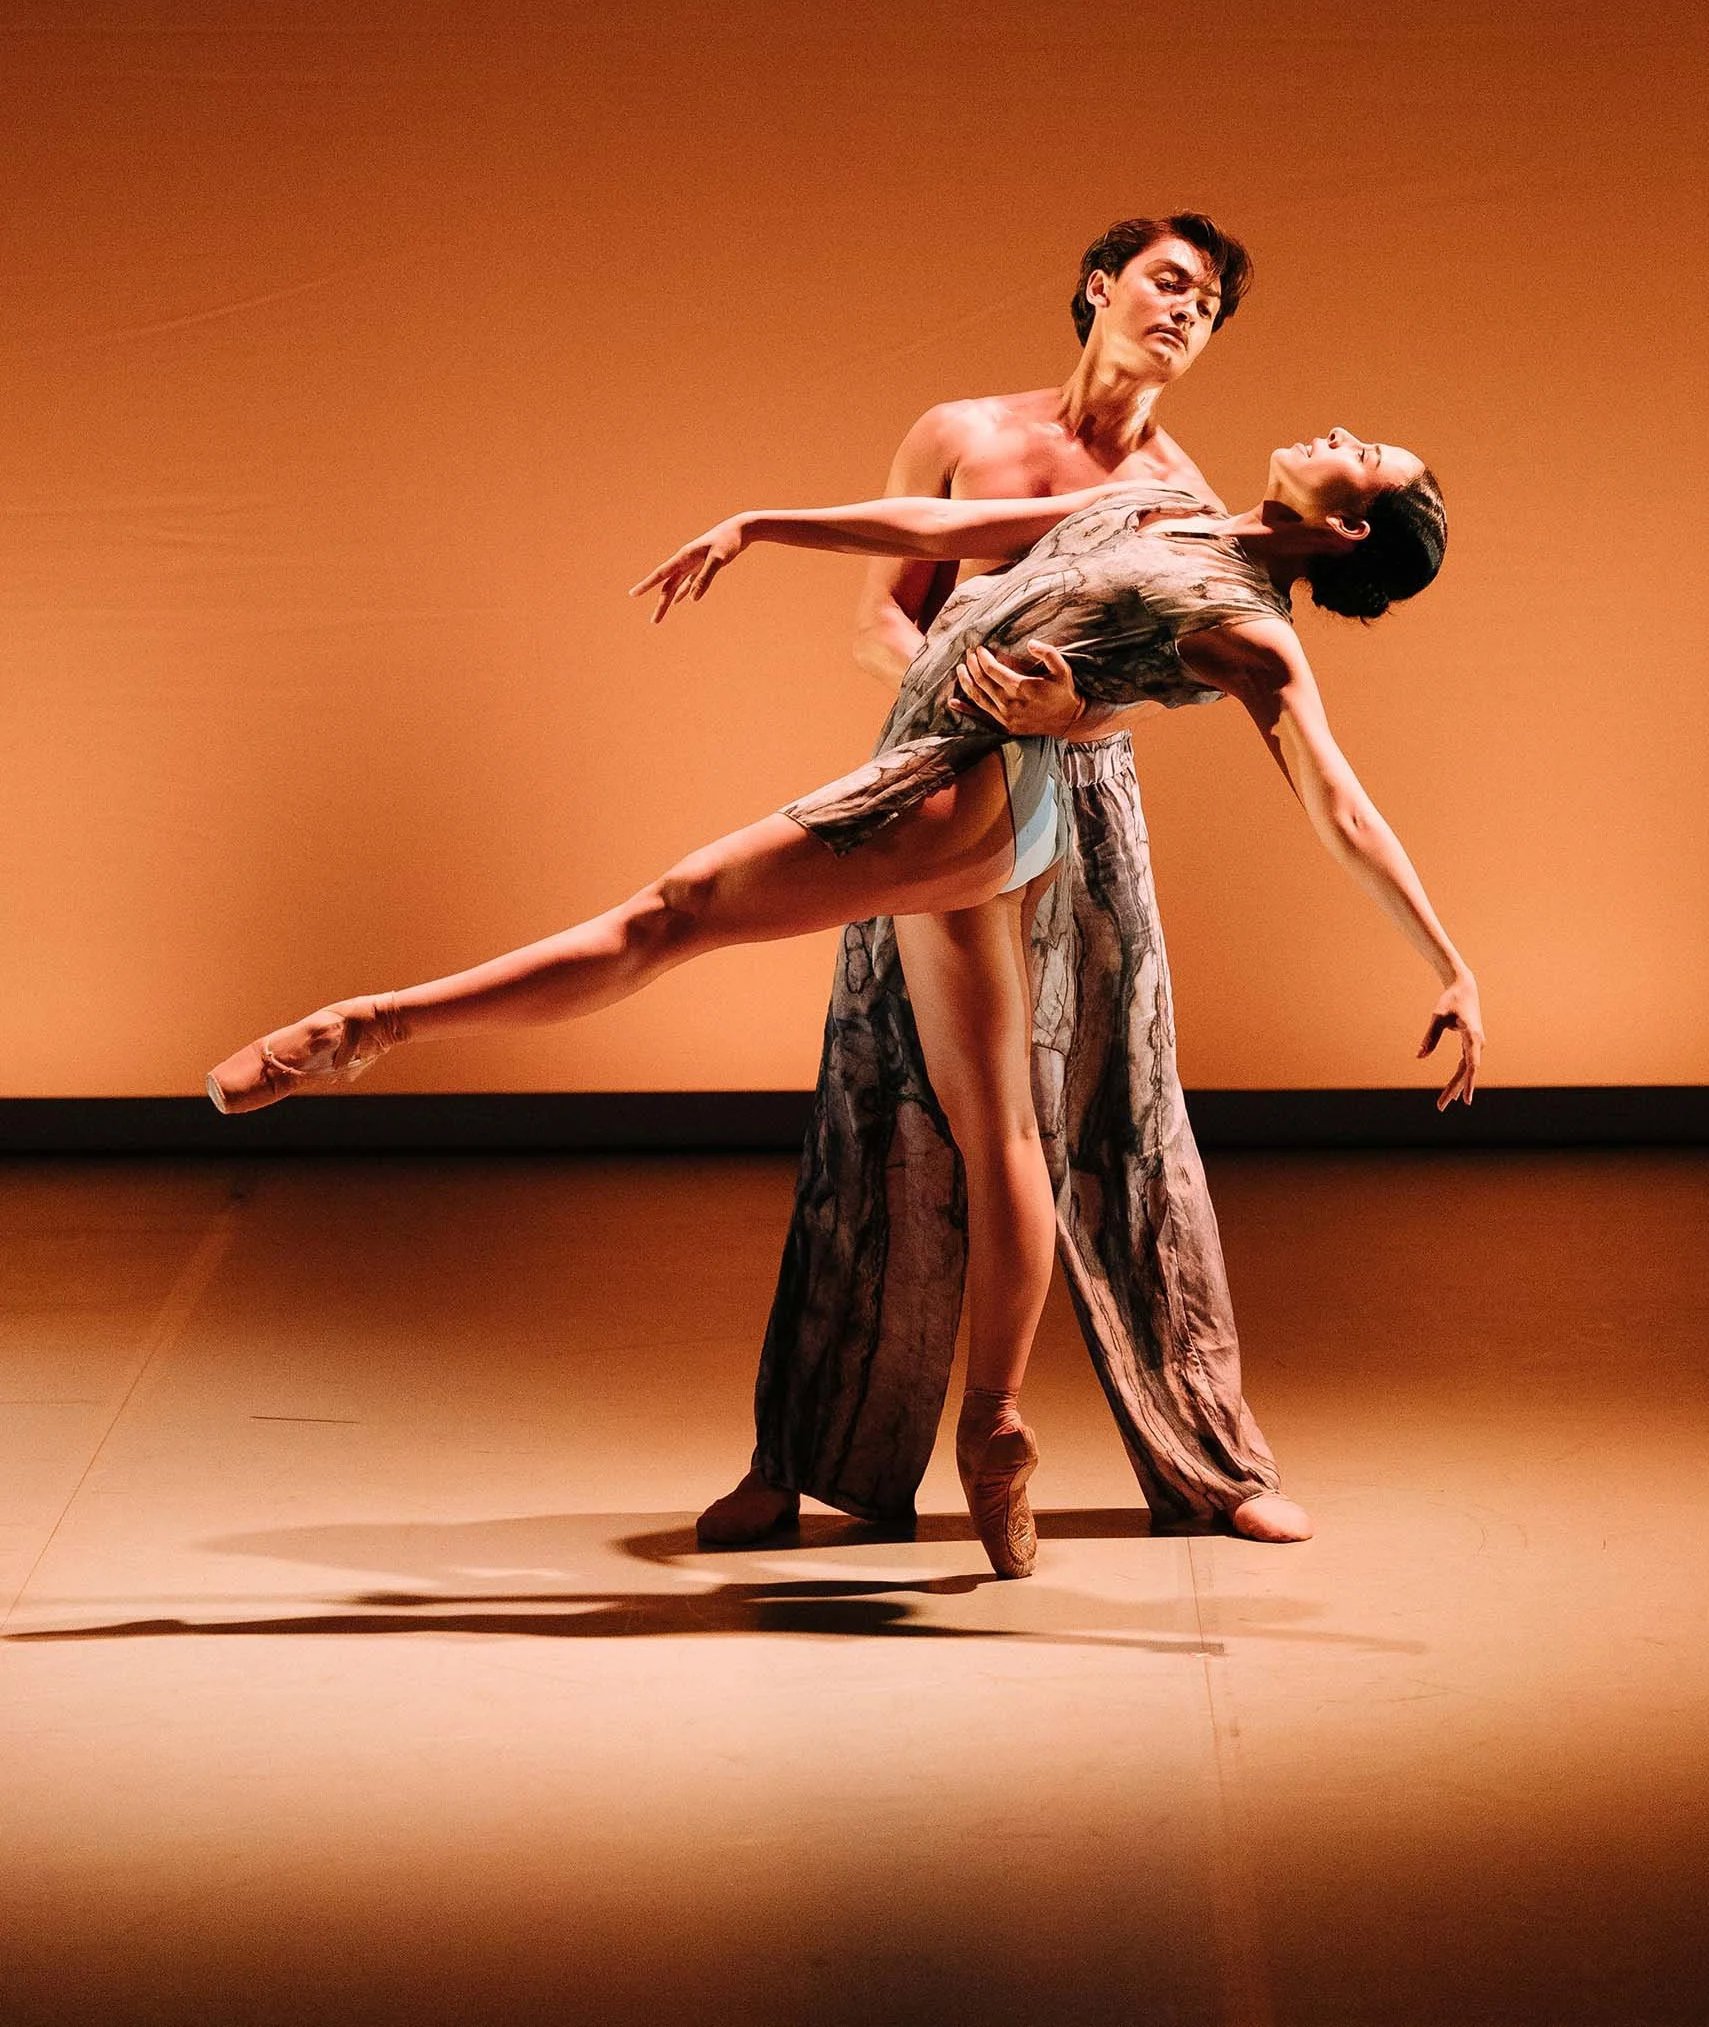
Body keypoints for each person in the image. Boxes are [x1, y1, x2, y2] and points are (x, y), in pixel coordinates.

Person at [208, 434, 1483, 1580]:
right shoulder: (1164, 503)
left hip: (973, 789)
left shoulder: (1256, 632)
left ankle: (369, 1026)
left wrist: (1448, 961)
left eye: (1360, 450)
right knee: (1002, 1129)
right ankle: (994, 1424)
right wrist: (766, 521)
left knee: (676, 909)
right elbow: (944, 536)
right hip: (972, 793)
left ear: (1353, 529)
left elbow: (1337, 802)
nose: (1333, 428)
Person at [702, 212, 1313, 1556]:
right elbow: (881, 611)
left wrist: (1063, 707)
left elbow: (1170, 671)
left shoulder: (1180, 491)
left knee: (1119, 1111)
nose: (1182, 308)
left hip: (1081, 803)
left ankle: (1205, 1456)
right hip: (930, 774)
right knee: (880, 1102)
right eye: (1165, 279)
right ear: (1098, 287)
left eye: (1206, 302)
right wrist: (946, 689)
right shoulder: (962, 431)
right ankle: (801, 1459)